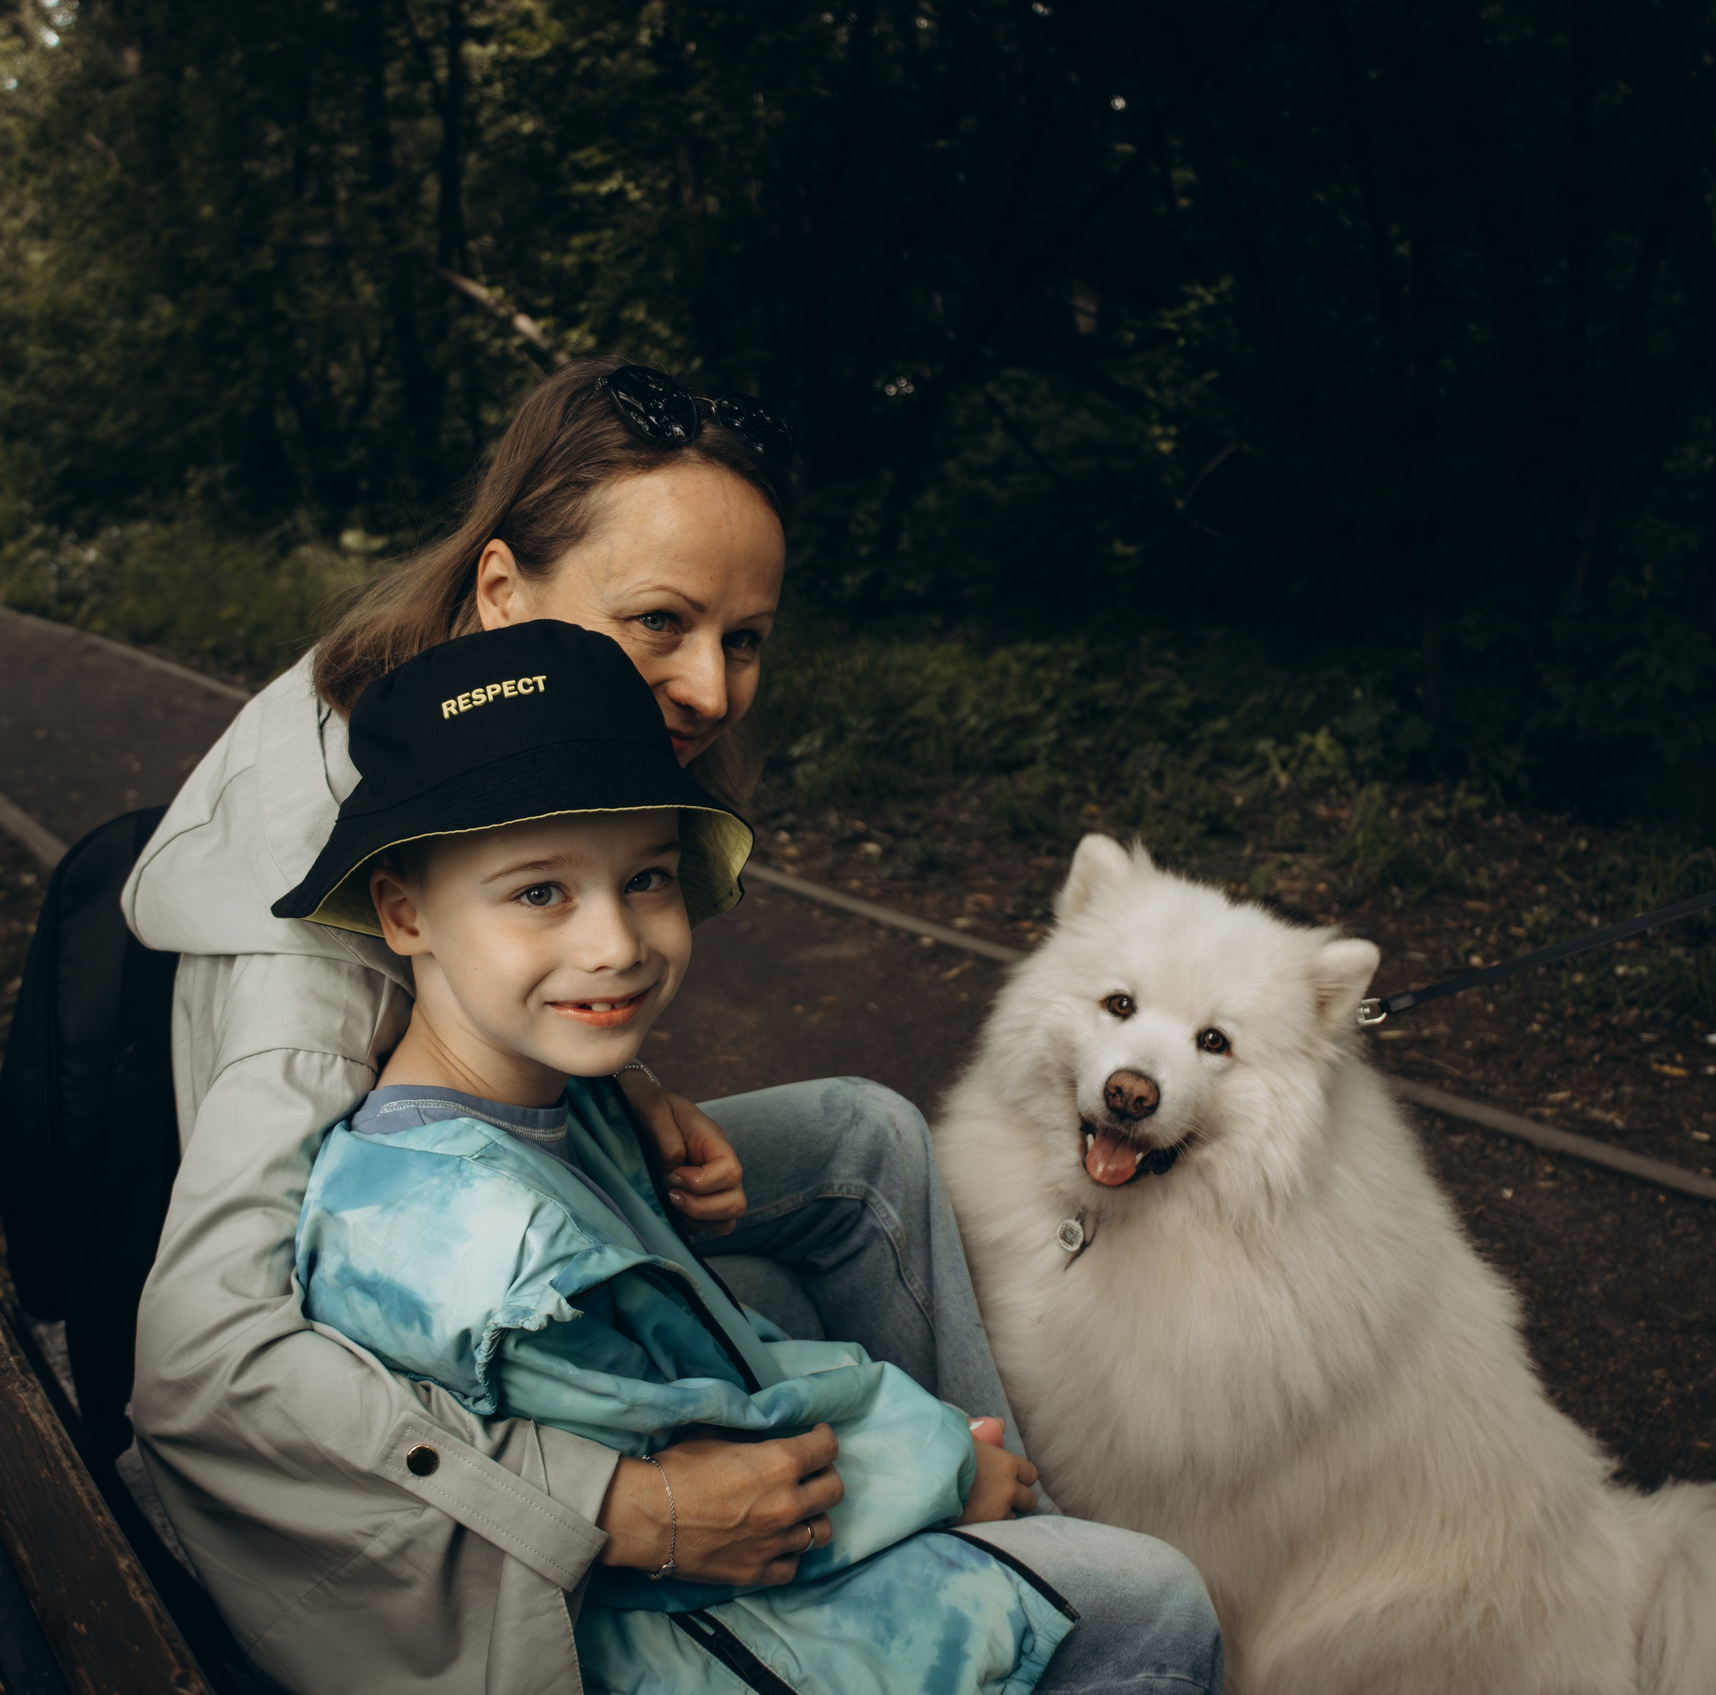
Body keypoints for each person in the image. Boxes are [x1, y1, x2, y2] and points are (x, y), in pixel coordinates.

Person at [122, 361, 1222, 1694]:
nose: (708, 688)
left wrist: (610, 1082)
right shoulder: (308, 979)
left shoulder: (418, 699)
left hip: (481, 1220)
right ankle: (1004, 1535)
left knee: (855, 1146)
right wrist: (624, 1504)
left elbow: (497, 970)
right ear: (502, 592)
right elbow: (203, 1365)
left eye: (743, 637)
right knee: (1127, 1588)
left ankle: (998, 1504)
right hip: (420, 1465)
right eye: (659, 621)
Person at [282, 617, 1072, 1692]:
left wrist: (935, 1445)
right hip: (673, 1643)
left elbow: (727, 1380)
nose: (615, 943)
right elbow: (706, 1501)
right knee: (1154, 1602)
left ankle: (1023, 1510)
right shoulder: (494, 1254)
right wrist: (947, 1469)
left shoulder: (546, 1100)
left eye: (648, 878)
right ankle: (1029, 1515)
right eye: (539, 892)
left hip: (733, 1570)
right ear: (403, 912)